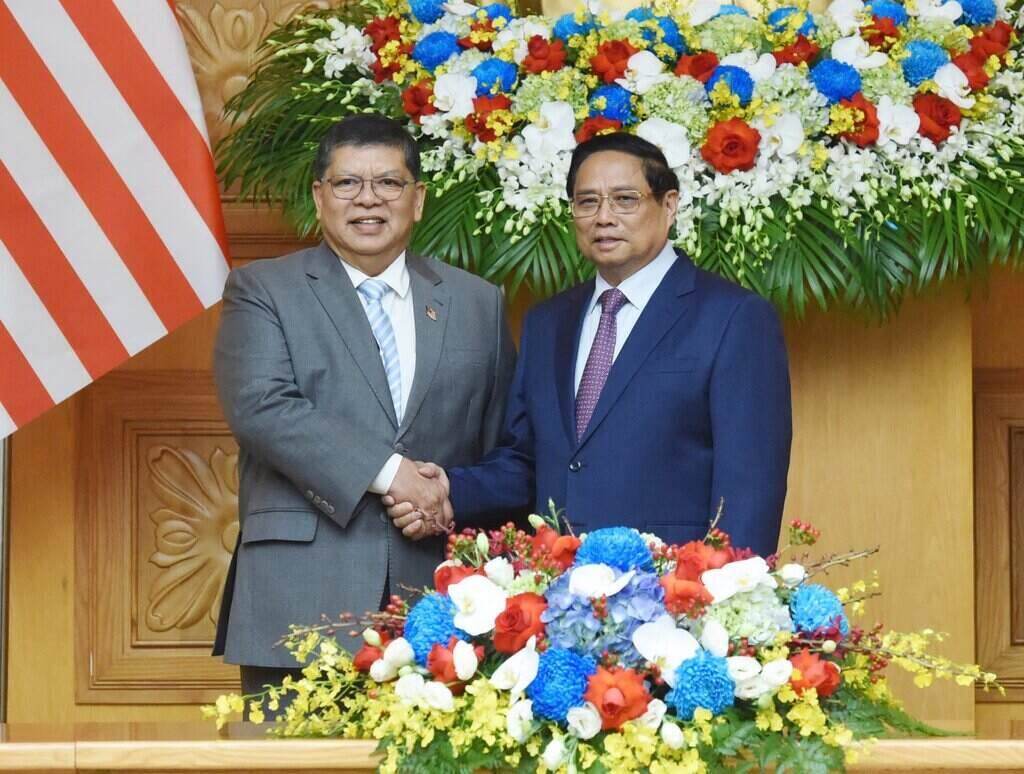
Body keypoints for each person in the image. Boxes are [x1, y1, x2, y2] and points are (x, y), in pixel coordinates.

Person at [212, 114, 516, 696]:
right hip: (302, 597)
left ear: (419, 198)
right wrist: (393, 474)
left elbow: (503, 445)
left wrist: (450, 497)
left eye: (389, 184)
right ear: (319, 197)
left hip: (444, 606)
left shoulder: (479, 303)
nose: (367, 200)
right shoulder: (262, 290)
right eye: (348, 183)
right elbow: (263, 407)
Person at [388, 132, 791, 556]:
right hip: (556, 591)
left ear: (668, 205)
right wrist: (450, 488)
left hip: (672, 594)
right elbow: (528, 460)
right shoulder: (548, 322)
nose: (604, 217)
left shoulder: (734, 317)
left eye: (625, 200)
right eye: (587, 202)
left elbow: (750, 487)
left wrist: (727, 594)